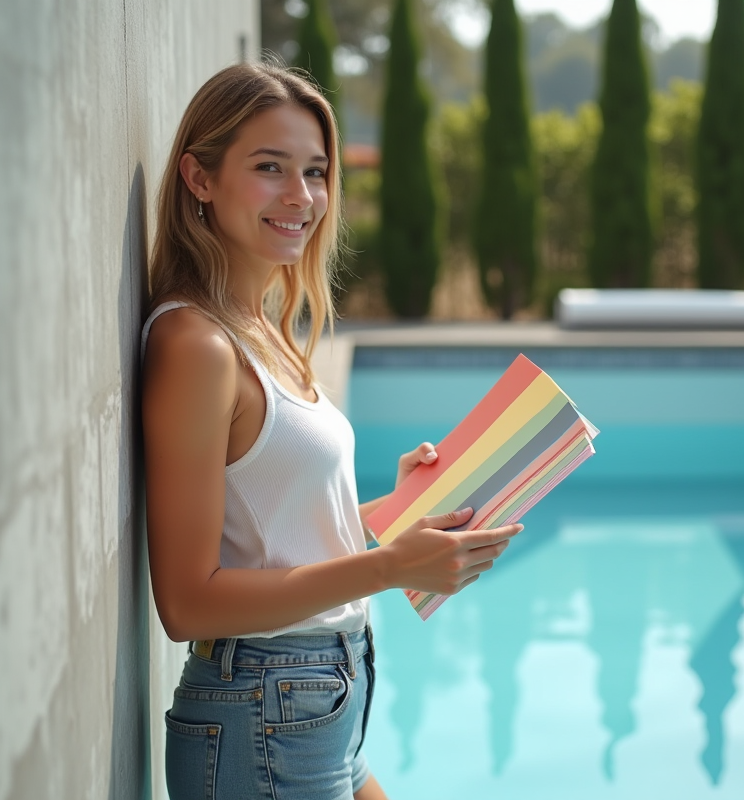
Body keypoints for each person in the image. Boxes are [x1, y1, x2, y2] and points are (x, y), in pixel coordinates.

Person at [141, 62, 521, 800]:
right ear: (200, 178)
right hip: (265, 701)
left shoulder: (267, 330)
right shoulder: (196, 346)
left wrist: (395, 514)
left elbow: (267, 528)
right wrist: (389, 567)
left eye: (314, 171)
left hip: (320, 699)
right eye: (269, 167)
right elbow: (188, 603)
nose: (301, 196)